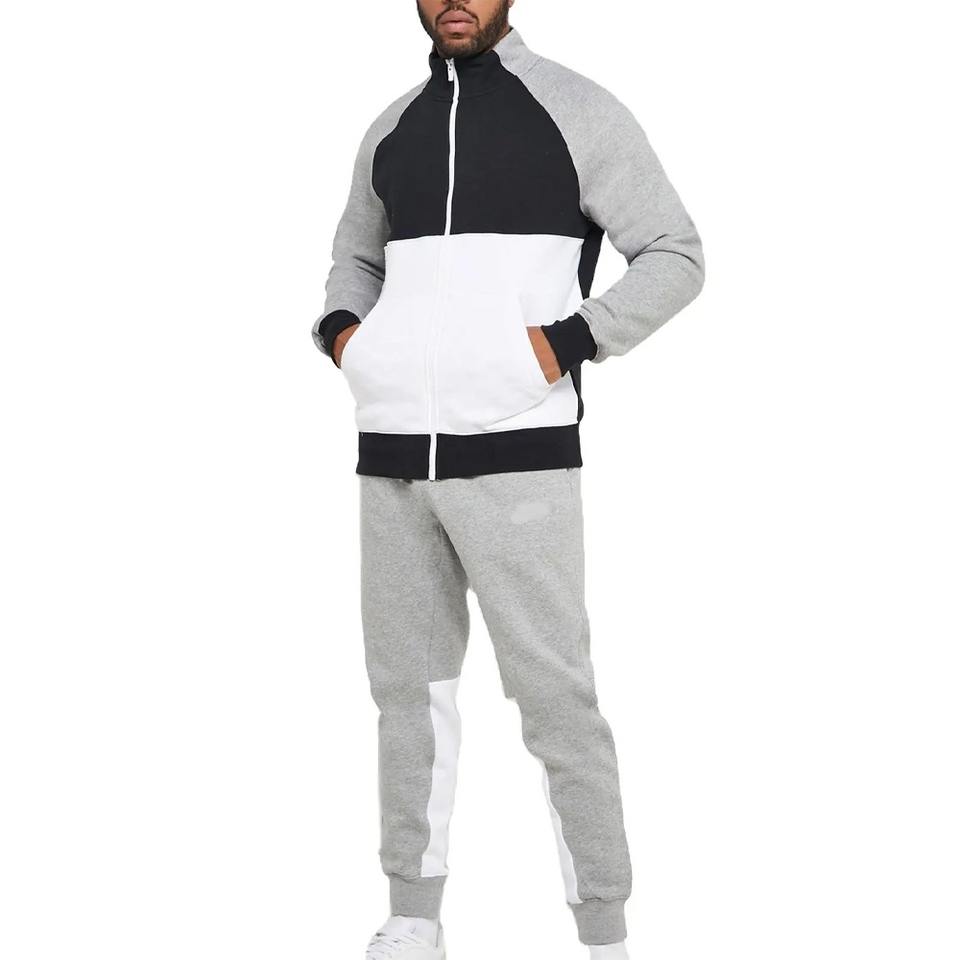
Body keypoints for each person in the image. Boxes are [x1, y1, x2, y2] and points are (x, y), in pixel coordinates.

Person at [312, 2, 704, 957]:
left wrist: (562, 345)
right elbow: (354, 257)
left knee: (557, 699)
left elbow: (676, 255)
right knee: (406, 696)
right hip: (393, 458)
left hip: (518, 456)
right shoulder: (391, 126)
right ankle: (413, 917)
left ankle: (604, 934)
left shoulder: (576, 109)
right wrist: (346, 338)